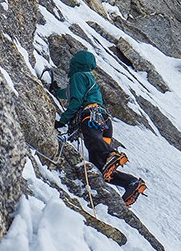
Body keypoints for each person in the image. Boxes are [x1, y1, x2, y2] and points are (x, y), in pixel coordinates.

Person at [53, 49, 146, 206]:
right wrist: (57, 92)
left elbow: (75, 101)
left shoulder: (78, 76)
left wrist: (61, 121)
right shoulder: (89, 78)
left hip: (91, 117)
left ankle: (112, 155)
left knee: (95, 142)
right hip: (104, 122)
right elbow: (70, 93)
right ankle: (130, 183)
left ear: (76, 64)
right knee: (100, 165)